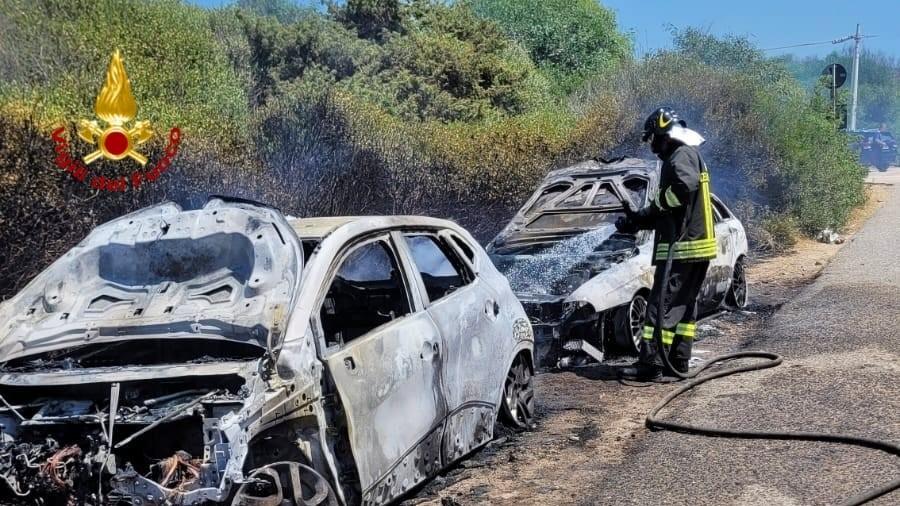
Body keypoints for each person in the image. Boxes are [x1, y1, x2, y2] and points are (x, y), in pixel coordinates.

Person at [616, 108, 717, 381]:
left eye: (652, 139)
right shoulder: (686, 154)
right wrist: (637, 220)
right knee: (682, 309)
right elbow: (671, 215)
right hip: (694, 247)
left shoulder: (680, 154)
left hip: (683, 249)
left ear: (663, 135)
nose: (652, 146)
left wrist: (655, 205)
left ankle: (651, 364)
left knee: (661, 306)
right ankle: (678, 361)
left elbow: (684, 188)